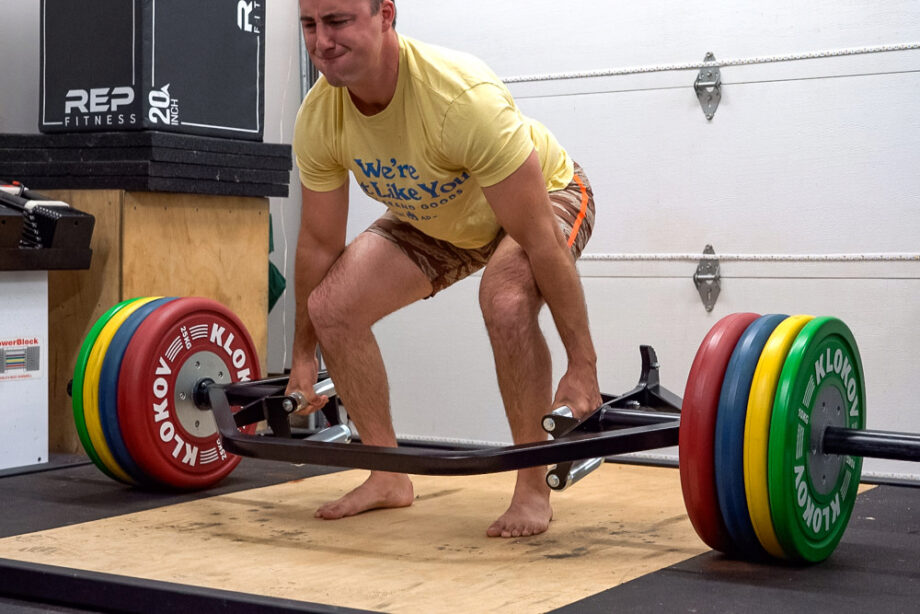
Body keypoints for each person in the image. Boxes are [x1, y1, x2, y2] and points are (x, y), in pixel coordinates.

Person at [287, 0, 601, 538]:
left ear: (386, 15)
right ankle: (387, 475)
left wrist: (583, 366)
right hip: (438, 215)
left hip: (543, 198)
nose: (322, 41)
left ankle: (532, 486)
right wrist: (301, 352)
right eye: (309, 25)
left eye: (337, 21)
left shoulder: (458, 97)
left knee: (504, 299)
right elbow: (318, 245)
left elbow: (540, 243)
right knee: (332, 306)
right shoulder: (320, 117)